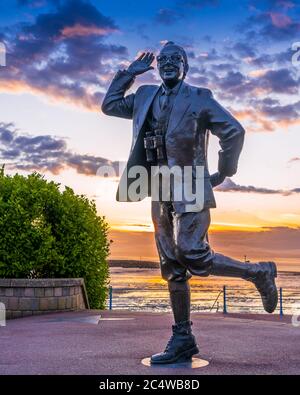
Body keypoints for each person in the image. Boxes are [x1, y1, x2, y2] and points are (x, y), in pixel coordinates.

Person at [101, 41, 278, 364]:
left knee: (191, 250)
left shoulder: (200, 98)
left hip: (191, 183)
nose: (168, 63)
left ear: (185, 66)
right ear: (157, 66)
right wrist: (129, 74)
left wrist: (223, 172)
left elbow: (234, 132)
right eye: (163, 59)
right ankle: (183, 338)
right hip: (157, 185)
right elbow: (110, 105)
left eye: (175, 59)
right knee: (172, 265)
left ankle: (257, 273)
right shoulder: (143, 96)